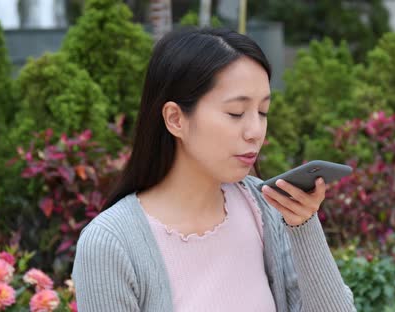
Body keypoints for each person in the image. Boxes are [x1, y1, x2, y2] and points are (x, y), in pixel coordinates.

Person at [72, 27, 356, 312]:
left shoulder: (266, 207)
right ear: (175, 119)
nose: (255, 132)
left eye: (263, 112)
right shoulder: (111, 243)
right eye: (235, 113)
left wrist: (304, 226)